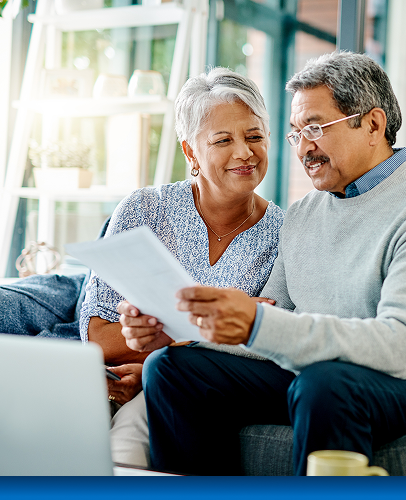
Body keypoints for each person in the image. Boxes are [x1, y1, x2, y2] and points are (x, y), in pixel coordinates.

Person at [122, 51, 406, 476]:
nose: (304, 148)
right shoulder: (304, 212)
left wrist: (258, 323)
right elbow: (272, 314)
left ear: (372, 124)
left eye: (315, 128)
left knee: (325, 384)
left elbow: (399, 346)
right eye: (295, 134)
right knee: (172, 370)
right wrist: (179, 329)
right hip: (323, 375)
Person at [78, 67, 284, 467]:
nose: (244, 152)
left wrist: (156, 361)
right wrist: (173, 348)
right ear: (190, 152)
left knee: (126, 448)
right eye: (223, 140)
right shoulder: (144, 210)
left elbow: (263, 344)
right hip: (112, 382)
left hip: (194, 390)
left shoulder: (285, 234)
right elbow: (98, 338)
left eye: (254, 136)